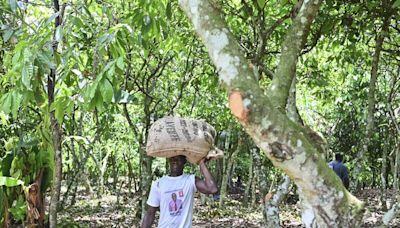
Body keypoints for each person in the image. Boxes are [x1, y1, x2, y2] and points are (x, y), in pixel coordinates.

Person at [141, 155, 218, 228]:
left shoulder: (190, 180)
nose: (175, 161)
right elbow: (150, 213)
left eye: (178, 158)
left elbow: (212, 188)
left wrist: (201, 163)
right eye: (172, 158)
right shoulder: (158, 184)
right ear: (169, 160)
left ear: (184, 161)